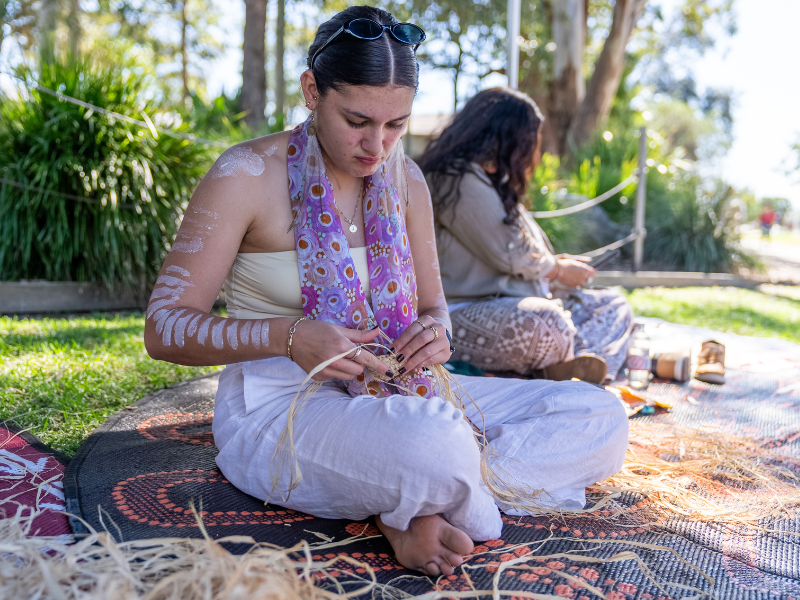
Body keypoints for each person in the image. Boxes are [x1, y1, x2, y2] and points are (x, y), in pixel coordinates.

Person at [144, 6, 628, 578]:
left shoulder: (408, 182)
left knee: (600, 416)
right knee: (435, 444)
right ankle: (428, 492)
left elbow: (433, 307)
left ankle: (414, 502)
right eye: (357, 120)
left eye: (396, 125)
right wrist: (289, 336)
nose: (378, 146)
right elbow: (164, 327)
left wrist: (438, 335)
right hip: (282, 407)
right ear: (311, 91)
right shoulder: (245, 175)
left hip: (406, 388)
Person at [419, 88, 634, 383]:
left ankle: (574, 366)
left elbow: (510, 252)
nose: (537, 152)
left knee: (614, 305)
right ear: (508, 137)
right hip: (462, 313)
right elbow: (509, 252)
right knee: (548, 324)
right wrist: (557, 269)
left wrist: (555, 264)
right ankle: (567, 364)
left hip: (519, 301)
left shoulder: (490, 181)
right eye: (532, 141)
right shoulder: (454, 178)